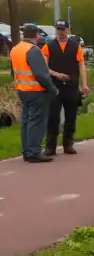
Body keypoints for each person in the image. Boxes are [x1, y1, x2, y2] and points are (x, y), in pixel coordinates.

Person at [8, 24, 58, 162]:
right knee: (37, 122)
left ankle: (26, 151)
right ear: (36, 35)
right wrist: (53, 89)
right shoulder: (33, 50)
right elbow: (42, 75)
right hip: (36, 91)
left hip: (22, 90)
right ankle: (34, 152)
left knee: (26, 121)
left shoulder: (15, 49)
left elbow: (14, 72)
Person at [42, 20, 89, 155]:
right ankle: (50, 146)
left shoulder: (75, 47)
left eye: (63, 30)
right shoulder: (48, 46)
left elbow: (81, 65)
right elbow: (44, 68)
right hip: (55, 87)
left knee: (71, 117)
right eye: (58, 29)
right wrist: (57, 75)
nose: (61, 33)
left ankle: (68, 144)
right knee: (53, 117)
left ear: (68, 30)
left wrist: (84, 84)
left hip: (71, 86)